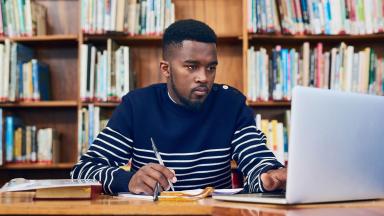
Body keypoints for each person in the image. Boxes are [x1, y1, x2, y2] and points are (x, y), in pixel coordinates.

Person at [71, 19, 287, 195]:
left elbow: (255, 158)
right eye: (191, 67)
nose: (203, 77)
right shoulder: (137, 106)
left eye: (211, 68)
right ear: (166, 69)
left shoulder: (231, 104)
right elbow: (82, 172)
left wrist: (268, 176)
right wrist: (129, 180)